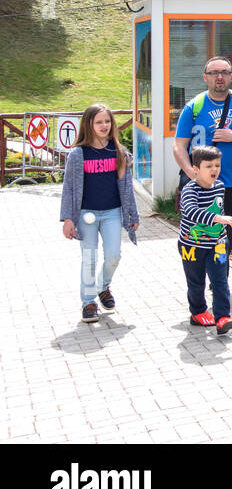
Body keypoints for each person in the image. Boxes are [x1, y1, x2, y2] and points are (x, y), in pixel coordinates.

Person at [172, 55, 232, 249]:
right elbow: (179, 145)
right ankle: (207, 276)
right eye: (214, 73)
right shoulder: (194, 107)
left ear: (231, 76)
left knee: (228, 238)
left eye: (224, 72)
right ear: (205, 77)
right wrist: (191, 173)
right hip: (203, 187)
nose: (219, 77)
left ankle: (219, 277)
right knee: (201, 238)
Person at [59, 104, 140, 324]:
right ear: (89, 124)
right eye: (99, 122)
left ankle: (103, 287)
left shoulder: (119, 152)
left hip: (112, 212)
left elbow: (126, 187)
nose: (104, 126)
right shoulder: (78, 154)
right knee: (89, 258)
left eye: (107, 121)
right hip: (86, 214)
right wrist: (67, 219)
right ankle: (88, 302)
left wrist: (132, 215)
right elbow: (68, 188)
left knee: (114, 255)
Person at [178, 144, 232, 334]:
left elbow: (218, 207)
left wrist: (221, 223)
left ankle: (222, 318)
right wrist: (217, 218)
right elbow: (190, 211)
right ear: (196, 169)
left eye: (217, 165)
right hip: (192, 245)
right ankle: (198, 312)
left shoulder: (220, 186)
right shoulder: (190, 190)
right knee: (196, 282)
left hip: (218, 243)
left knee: (220, 280)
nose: (214, 169)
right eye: (209, 166)